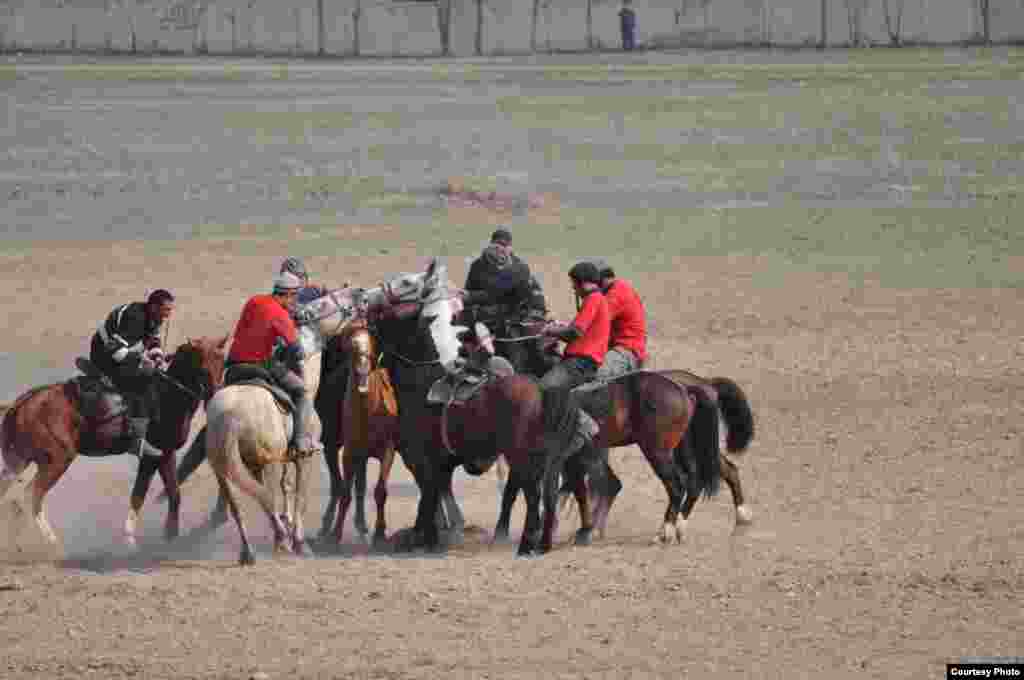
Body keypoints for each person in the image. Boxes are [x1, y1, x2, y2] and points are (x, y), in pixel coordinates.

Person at [225, 270, 322, 458]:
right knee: (302, 392)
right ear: (287, 294)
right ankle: (301, 440)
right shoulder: (280, 314)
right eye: (294, 297)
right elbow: (297, 351)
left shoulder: (253, 301)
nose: (294, 302)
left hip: (233, 364)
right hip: (260, 364)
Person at [537, 261, 611, 462]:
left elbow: (575, 332)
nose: (573, 289)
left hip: (581, 363)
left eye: (573, 284)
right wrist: (560, 327)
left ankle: (582, 425)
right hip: (579, 359)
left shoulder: (593, 300)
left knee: (545, 387)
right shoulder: (596, 300)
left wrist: (549, 331)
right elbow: (579, 329)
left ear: (583, 283)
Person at [89, 289, 176, 458]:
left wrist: (157, 358)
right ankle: (136, 441)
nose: (168, 315)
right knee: (143, 381)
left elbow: (153, 341)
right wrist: (142, 362)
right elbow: (114, 351)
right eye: (166, 310)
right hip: (104, 355)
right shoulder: (134, 318)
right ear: (153, 307)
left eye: (170, 310)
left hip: (122, 352)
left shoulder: (155, 318)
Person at [461, 227, 549, 374]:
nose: (500, 248)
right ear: (490, 244)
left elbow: (496, 294)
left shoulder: (518, 267)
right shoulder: (477, 265)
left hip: (519, 311)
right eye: (497, 244)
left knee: (521, 340)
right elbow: (470, 289)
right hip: (489, 310)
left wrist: (470, 297)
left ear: (510, 247)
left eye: (504, 245)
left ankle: (534, 369)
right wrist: (464, 298)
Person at [591, 259, 648, 380]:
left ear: (599, 280)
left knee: (594, 378)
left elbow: (594, 323)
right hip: (618, 348)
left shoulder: (616, 294)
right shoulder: (616, 289)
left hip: (625, 350)